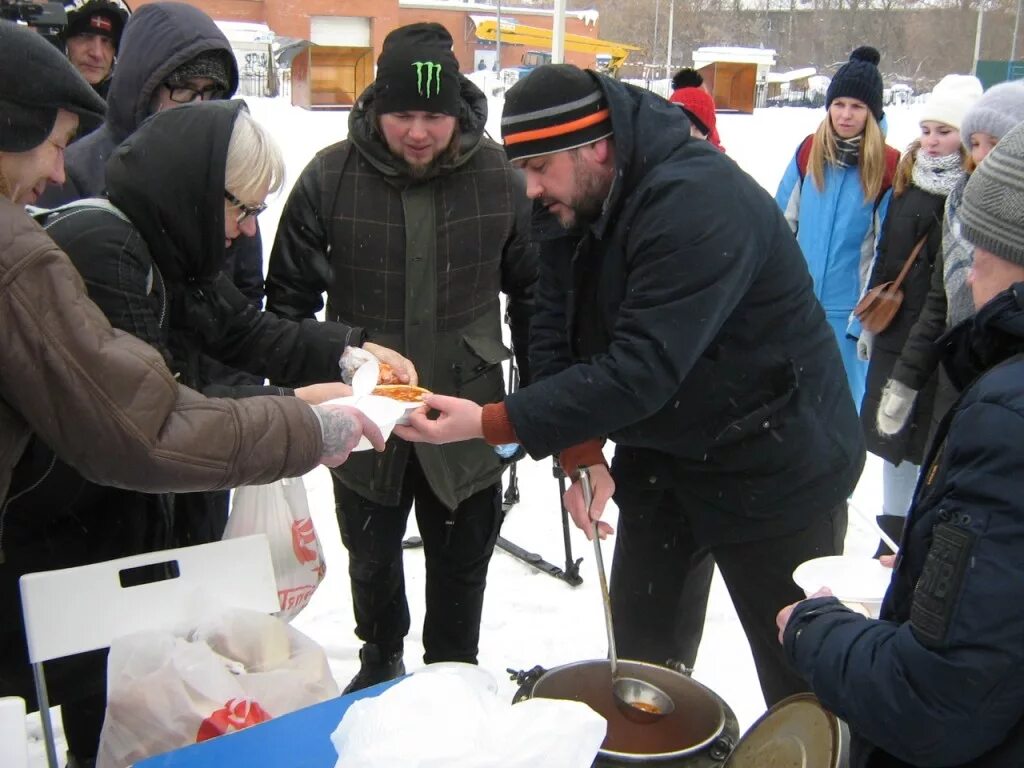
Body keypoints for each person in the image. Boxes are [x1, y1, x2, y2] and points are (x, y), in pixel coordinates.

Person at [394, 63, 863, 708]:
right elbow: (554, 325)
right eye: (520, 170)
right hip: (668, 450)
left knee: (801, 676)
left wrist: (491, 421)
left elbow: (641, 368)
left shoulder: (696, 201)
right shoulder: (574, 199)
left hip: (776, 458)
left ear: (597, 145)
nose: (528, 190)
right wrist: (580, 449)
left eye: (539, 169)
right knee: (645, 665)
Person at [0, 26, 390, 766]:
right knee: (105, 710)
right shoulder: (105, 250)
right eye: (242, 209)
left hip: (111, 530)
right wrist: (306, 421)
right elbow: (150, 419)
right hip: (77, 534)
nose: (247, 231)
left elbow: (240, 330)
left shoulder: (165, 243)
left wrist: (347, 351)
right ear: (195, 187)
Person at [266, 22, 537, 694]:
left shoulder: (501, 179)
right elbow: (287, 310)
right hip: (362, 422)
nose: (418, 132)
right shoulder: (329, 177)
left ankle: (453, 673)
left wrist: (539, 407)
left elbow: (538, 297)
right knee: (371, 555)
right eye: (402, 115)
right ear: (376, 108)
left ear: (459, 109)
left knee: (462, 560)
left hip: (468, 415)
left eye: (434, 116)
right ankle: (380, 656)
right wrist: (310, 407)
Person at [777, 119, 1024, 768]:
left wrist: (814, 629)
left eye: (980, 260)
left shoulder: (1006, 416)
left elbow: (938, 699)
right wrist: (927, 568)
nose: (970, 281)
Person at [38, 1, 272, 539]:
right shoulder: (71, 169)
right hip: (110, 443)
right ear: (142, 86)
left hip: (210, 426)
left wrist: (242, 410)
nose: (198, 107)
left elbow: (241, 301)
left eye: (213, 95)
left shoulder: (223, 169)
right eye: (183, 91)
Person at [876, 81, 1024, 538]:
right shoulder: (961, 204)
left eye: (994, 144)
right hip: (955, 378)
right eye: (975, 142)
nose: (980, 155)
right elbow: (938, 304)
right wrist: (904, 378)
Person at [859, 74, 980, 556]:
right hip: (896, 331)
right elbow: (885, 256)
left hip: (942, 338)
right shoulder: (907, 183)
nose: (931, 140)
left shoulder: (974, 192)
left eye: (944, 131)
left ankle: (922, 538)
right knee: (891, 439)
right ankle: (892, 538)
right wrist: (867, 322)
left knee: (931, 439)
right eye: (927, 129)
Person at [776, 46, 901, 408]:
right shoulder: (809, 151)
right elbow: (779, 225)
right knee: (790, 412)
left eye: (857, 107)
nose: (846, 115)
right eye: (839, 104)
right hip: (798, 307)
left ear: (872, 112)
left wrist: (861, 322)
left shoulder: (889, 166)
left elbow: (884, 250)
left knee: (840, 415)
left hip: (846, 317)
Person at [62, 0, 127, 102]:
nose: (97, 54)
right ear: (63, 42)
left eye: (106, 41)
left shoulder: (128, 110)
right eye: (84, 36)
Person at [668, 67, 724, 152]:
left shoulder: (718, 162)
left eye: (697, 128)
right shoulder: (655, 155)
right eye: (682, 125)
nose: (690, 134)